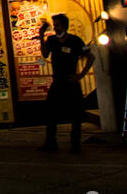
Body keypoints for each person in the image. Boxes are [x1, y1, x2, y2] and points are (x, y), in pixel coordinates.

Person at [38, 14, 93, 153]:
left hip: (71, 80)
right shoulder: (51, 40)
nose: (55, 27)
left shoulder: (75, 41)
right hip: (58, 80)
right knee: (50, 112)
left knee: (76, 114)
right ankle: (50, 142)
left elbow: (91, 57)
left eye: (57, 24)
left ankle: (75, 144)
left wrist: (81, 75)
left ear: (64, 25)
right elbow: (45, 54)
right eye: (54, 25)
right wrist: (41, 36)